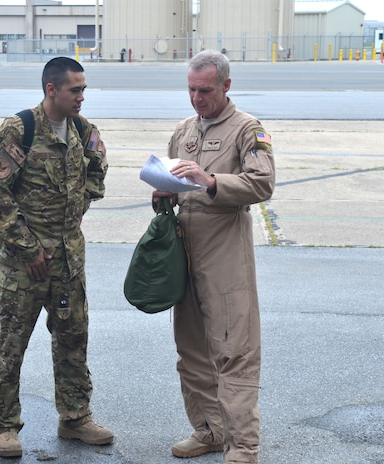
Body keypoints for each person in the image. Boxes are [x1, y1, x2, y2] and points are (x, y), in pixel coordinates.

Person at [0, 57, 112, 458]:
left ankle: (74, 418)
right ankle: (5, 426)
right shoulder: (21, 129)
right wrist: (29, 248)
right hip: (25, 267)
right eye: (75, 90)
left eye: (84, 89)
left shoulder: (83, 130)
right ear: (52, 89)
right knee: (11, 346)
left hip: (69, 263)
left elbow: (98, 172)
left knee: (73, 342)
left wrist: (75, 214)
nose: (82, 96)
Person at [152, 50, 275, 463]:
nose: (197, 98)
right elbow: (171, 180)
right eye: (191, 89)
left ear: (225, 85)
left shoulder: (248, 129)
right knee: (191, 351)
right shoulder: (184, 131)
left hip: (225, 259)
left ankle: (243, 448)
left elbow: (262, 184)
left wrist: (210, 181)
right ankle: (209, 430)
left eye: (205, 90)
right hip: (184, 254)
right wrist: (163, 194)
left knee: (233, 353)